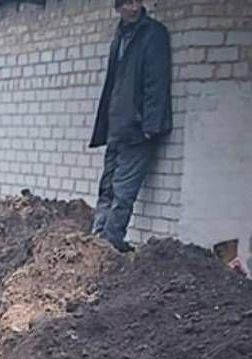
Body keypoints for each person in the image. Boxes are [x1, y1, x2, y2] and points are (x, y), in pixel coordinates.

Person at [88, 0, 171, 254]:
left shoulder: (152, 33)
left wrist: (150, 126)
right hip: (117, 127)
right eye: (128, 3)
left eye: (137, 1)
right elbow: (113, 84)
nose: (134, 7)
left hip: (137, 130)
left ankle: (110, 246)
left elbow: (156, 81)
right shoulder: (120, 36)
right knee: (107, 188)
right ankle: (96, 241)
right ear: (117, 7)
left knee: (123, 192)